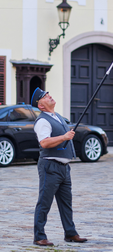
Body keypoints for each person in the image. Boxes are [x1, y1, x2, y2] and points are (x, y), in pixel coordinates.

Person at [31, 87, 88, 247]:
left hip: (64, 168)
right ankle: (39, 236)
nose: (49, 96)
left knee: (66, 203)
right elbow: (44, 142)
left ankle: (70, 233)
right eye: (45, 96)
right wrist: (64, 136)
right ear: (40, 106)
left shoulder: (57, 117)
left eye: (48, 94)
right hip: (50, 166)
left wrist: (65, 135)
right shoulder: (42, 121)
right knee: (44, 202)